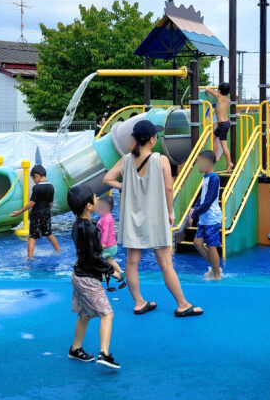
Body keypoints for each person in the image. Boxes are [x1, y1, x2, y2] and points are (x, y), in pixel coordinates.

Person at [102, 119, 202, 317]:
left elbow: (107, 179)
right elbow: (168, 187)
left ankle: (139, 302)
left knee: (132, 262)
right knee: (165, 263)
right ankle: (182, 304)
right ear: (151, 139)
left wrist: (127, 186)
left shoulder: (127, 160)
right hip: (156, 217)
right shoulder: (160, 159)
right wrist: (171, 212)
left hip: (133, 219)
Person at [66, 184, 120, 368]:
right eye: (95, 197)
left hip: (78, 275)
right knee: (107, 313)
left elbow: (89, 254)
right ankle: (104, 354)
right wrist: (112, 272)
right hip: (88, 279)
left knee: (85, 314)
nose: (98, 199)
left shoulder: (77, 226)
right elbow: (94, 258)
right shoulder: (90, 228)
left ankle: (76, 349)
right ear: (89, 206)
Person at [10, 164, 61, 258]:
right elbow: (51, 203)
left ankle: (30, 257)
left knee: (32, 236)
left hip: (36, 214)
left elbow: (32, 203)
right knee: (48, 233)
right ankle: (58, 251)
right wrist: (47, 211)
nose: (34, 181)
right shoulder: (51, 187)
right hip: (46, 213)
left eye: (33, 179)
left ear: (37, 176)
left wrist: (19, 212)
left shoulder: (37, 188)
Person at [189, 150, 223, 281]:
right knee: (198, 243)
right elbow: (202, 198)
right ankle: (216, 268)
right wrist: (194, 207)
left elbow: (208, 201)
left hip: (212, 218)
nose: (198, 165)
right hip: (204, 217)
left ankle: (217, 275)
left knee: (211, 245)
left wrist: (195, 213)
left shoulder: (214, 179)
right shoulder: (206, 178)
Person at [95, 194, 122, 279]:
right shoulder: (109, 216)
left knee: (99, 261)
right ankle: (121, 272)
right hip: (113, 245)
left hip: (107, 246)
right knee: (110, 261)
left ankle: (103, 275)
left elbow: (105, 232)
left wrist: (102, 243)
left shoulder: (105, 219)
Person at [212, 82, 234, 172]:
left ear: (219, 91)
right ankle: (216, 156)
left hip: (222, 125)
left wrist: (209, 89)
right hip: (225, 123)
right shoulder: (228, 100)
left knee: (224, 145)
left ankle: (229, 163)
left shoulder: (219, 96)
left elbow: (208, 90)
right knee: (213, 137)